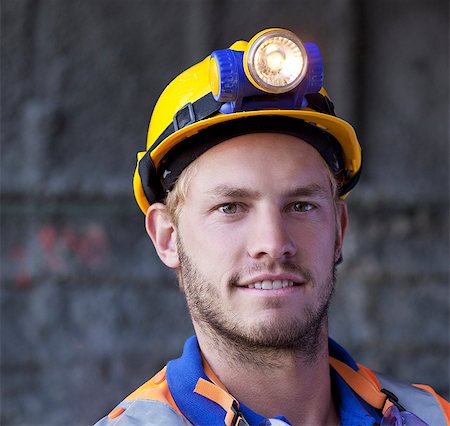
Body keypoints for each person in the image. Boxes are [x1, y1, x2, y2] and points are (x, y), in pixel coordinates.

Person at [95, 28, 449, 425]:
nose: (273, 243)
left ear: (339, 229)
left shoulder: (433, 417)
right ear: (167, 236)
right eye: (231, 207)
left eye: (301, 205)